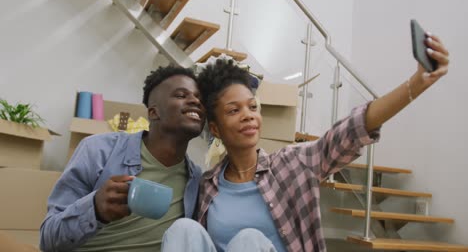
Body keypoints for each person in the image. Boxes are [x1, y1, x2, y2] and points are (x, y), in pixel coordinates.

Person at [161, 33, 450, 252]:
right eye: (234, 111)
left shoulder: (292, 164)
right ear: (216, 128)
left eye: (252, 106)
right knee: (182, 229)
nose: (248, 116)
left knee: (248, 240)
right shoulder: (208, 185)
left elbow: (351, 130)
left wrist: (415, 85)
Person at [40, 66, 206, 252]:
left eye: (199, 97)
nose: (195, 101)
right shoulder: (98, 150)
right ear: (153, 112)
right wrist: (95, 209)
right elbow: (48, 239)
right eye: (181, 95)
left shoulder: (197, 180)